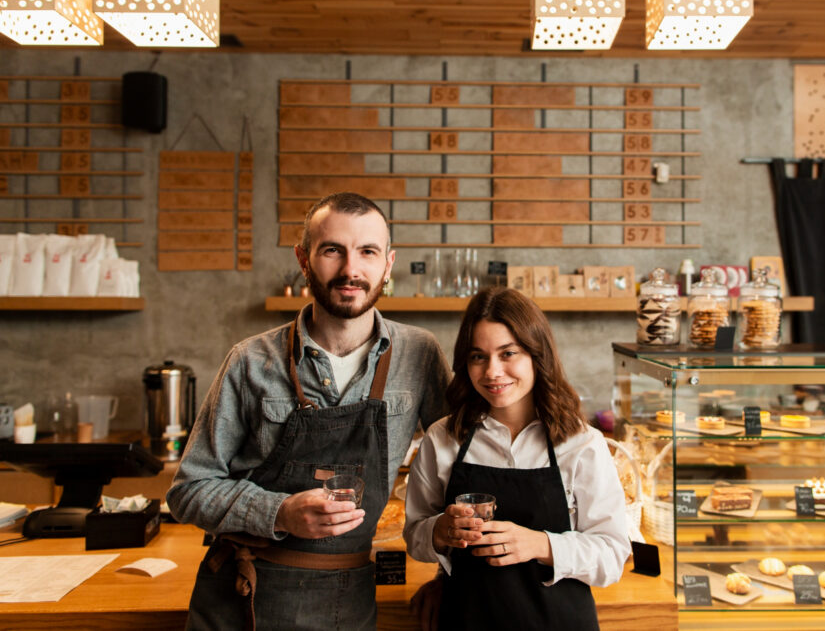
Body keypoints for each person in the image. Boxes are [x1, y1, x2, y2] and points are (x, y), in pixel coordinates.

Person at [167, 192, 450, 630]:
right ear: (304, 259)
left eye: (368, 252)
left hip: (348, 599)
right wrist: (279, 512)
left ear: (388, 264)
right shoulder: (250, 361)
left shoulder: (420, 355)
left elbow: (461, 475)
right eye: (332, 250)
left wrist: (445, 575)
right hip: (244, 597)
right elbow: (188, 490)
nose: (351, 270)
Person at [403, 286, 631, 630]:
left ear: (537, 355)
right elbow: (414, 536)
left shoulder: (582, 444)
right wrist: (439, 531)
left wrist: (541, 544)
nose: (492, 371)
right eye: (478, 356)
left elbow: (613, 555)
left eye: (508, 353)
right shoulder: (443, 439)